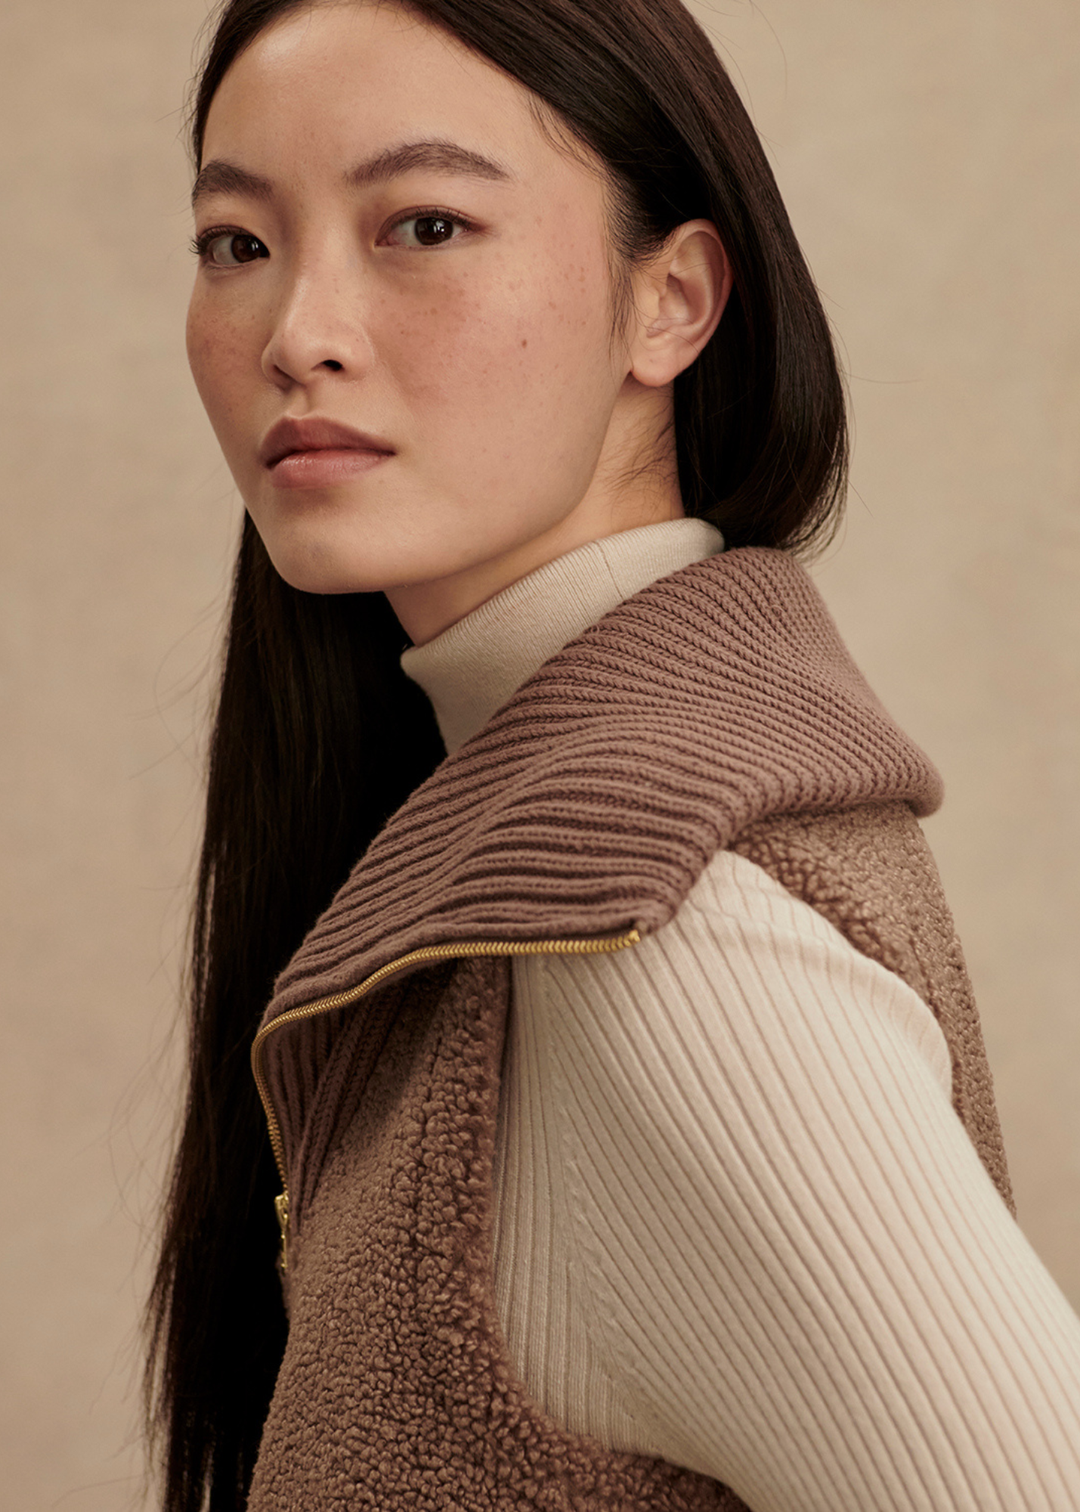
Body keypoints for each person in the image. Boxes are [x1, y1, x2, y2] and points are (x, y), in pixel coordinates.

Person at [147, 1, 1080, 1508]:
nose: (297, 331)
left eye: (425, 224)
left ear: (674, 303)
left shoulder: (657, 944)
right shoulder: (514, 847)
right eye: (237, 243)